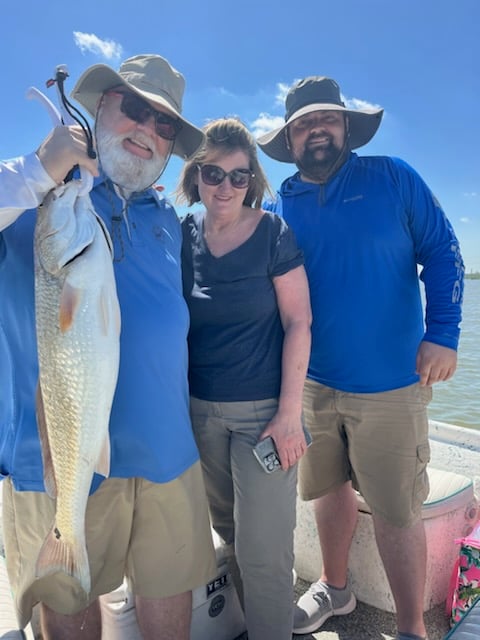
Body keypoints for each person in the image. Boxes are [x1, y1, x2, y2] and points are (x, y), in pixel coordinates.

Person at [0, 54, 217, 640]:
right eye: (136, 109)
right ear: (99, 108)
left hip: (167, 451)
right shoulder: (36, 196)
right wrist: (41, 169)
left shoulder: (168, 219)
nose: (148, 130)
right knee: (66, 595)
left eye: (165, 124)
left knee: (170, 585)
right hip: (59, 460)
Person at [257, 76, 464, 640]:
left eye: (325, 119)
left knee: (398, 509)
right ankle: (335, 588)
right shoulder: (281, 201)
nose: (314, 130)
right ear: (290, 139)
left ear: (346, 127)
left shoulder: (393, 178)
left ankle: (411, 627)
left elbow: (444, 251)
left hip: (393, 384)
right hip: (311, 386)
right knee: (326, 490)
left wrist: (443, 332)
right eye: (302, 124)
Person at [176, 117, 312, 640]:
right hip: (199, 413)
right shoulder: (182, 235)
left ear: (252, 179)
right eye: (213, 173)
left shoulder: (274, 233)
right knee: (230, 533)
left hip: (264, 414)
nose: (225, 186)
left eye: (238, 176)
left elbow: (299, 321)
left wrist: (289, 414)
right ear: (196, 176)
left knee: (264, 548)